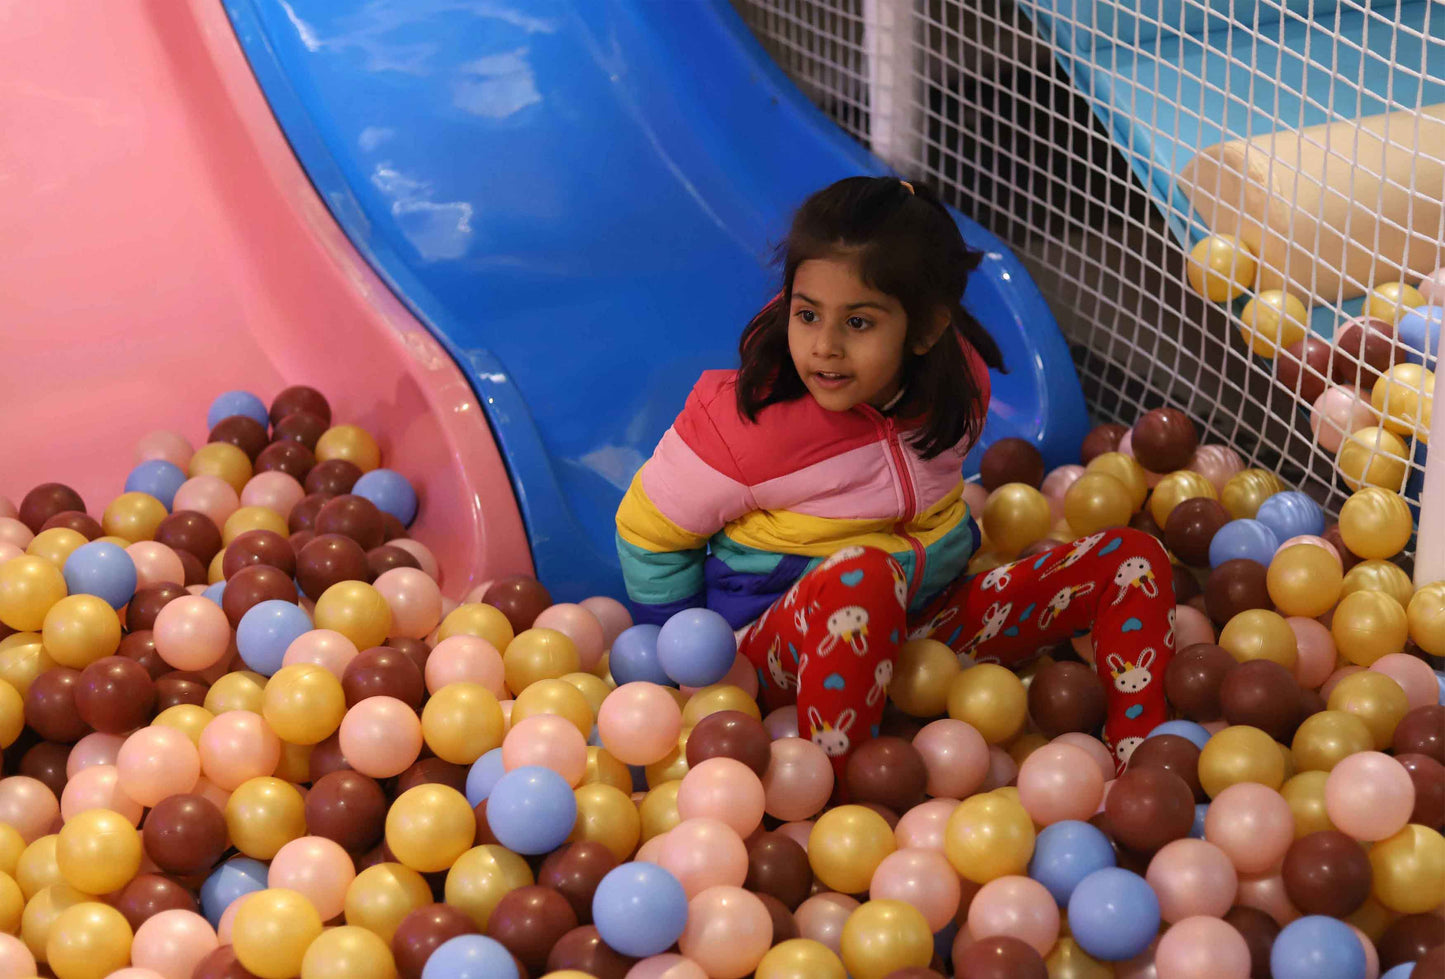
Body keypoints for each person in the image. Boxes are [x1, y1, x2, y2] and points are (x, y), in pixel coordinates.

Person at [616, 176, 1172, 774]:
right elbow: (648, 532)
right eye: (807, 314)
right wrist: (687, 661)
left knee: (1131, 554)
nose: (824, 346)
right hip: (776, 657)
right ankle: (840, 796)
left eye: (858, 323)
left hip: (924, 634)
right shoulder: (741, 423)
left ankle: (1142, 761)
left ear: (927, 330)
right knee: (864, 575)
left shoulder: (957, 386)